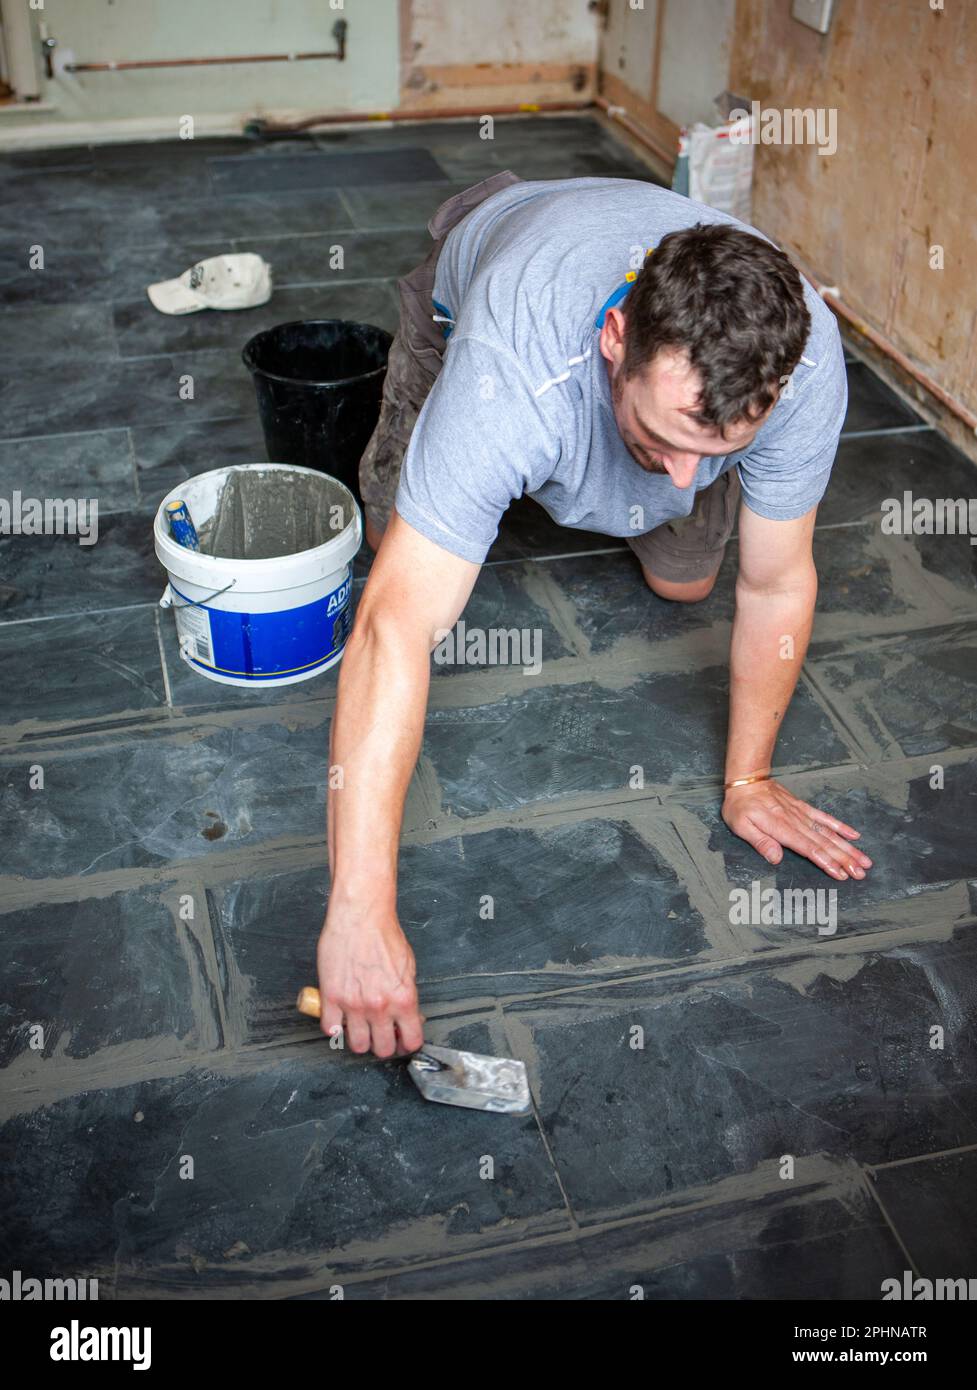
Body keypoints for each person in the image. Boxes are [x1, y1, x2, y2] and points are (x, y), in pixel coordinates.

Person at [317, 172, 872, 1059]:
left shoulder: (799, 367)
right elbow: (393, 629)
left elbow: (774, 584)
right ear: (615, 339)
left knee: (688, 584)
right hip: (491, 267)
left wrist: (749, 780)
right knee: (393, 546)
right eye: (668, 441)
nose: (685, 481)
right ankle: (510, 472)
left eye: (717, 452)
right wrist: (358, 911)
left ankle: (560, 471)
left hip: (603, 344)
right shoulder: (511, 364)